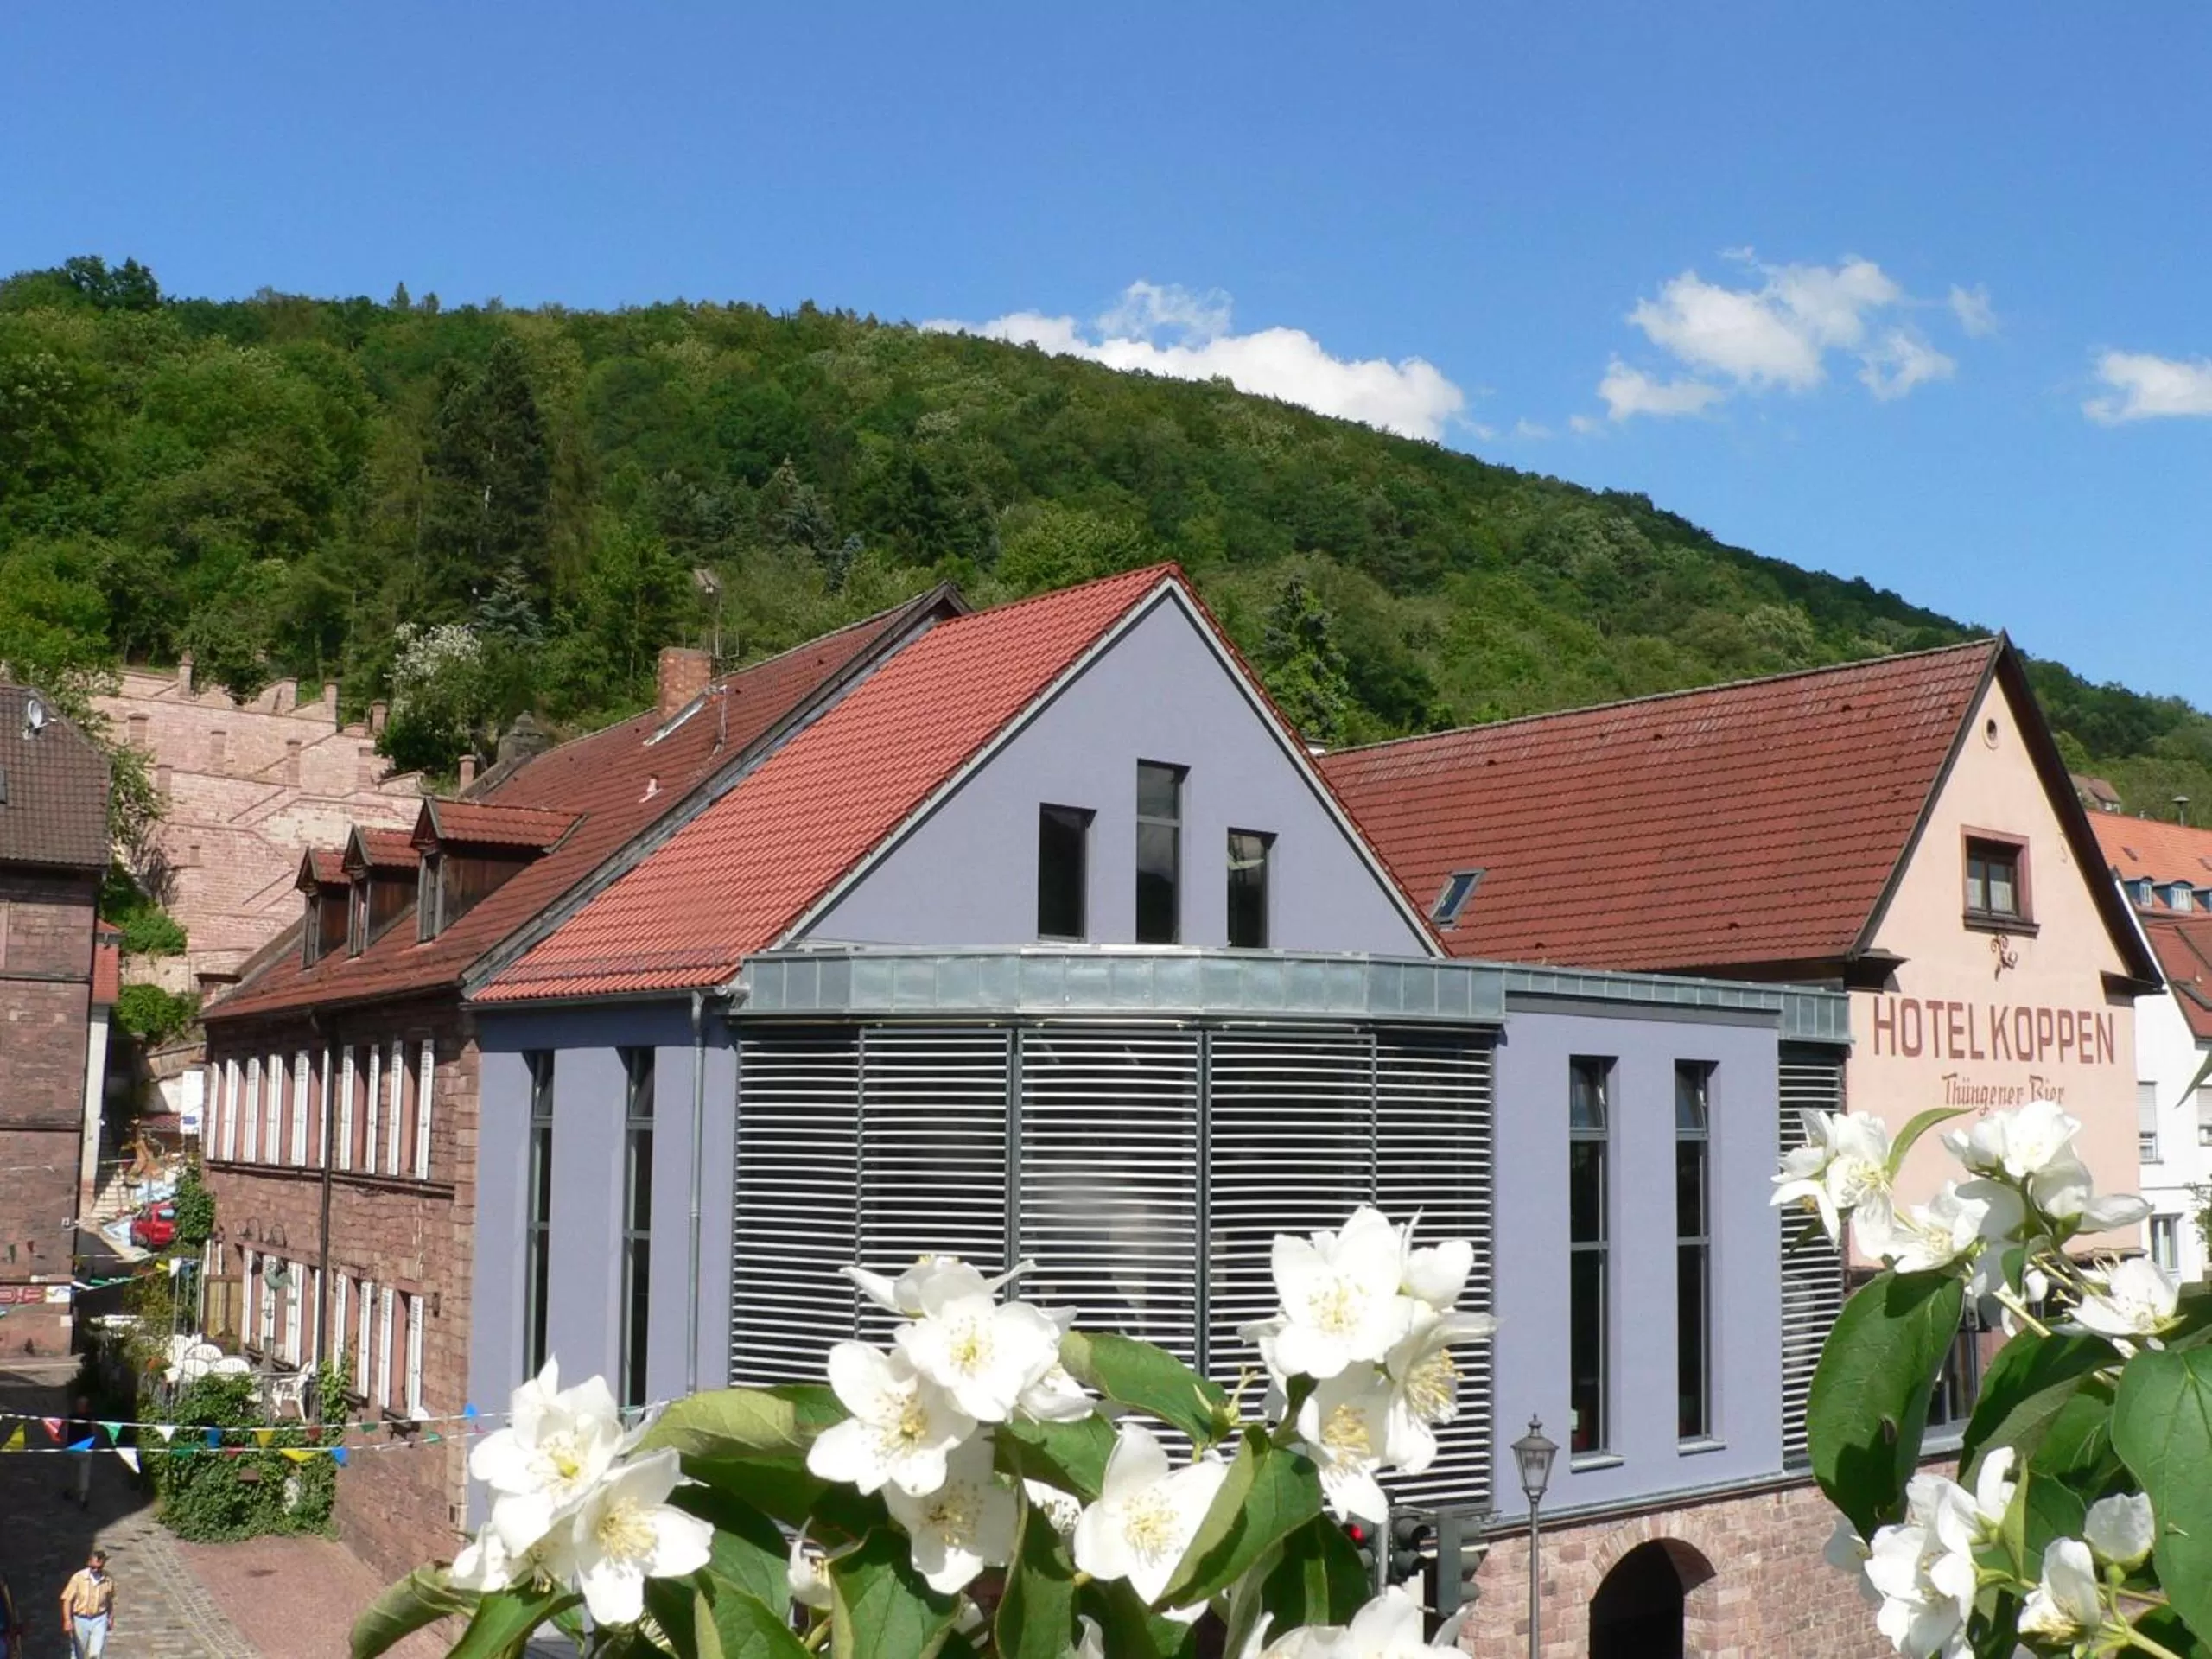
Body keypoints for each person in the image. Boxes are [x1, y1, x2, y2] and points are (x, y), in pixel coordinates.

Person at [58, 1550, 114, 1659]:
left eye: (99, 1567)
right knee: (79, 1653)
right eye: (93, 1567)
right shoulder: (78, 1578)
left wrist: (110, 1617)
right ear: (88, 1563)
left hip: (99, 1619)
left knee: (96, 1653)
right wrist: (67, 1620)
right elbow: (67, 1599)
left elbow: (109, 1600)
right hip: (80, 1619)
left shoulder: (108, 1579)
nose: (96, 1570)